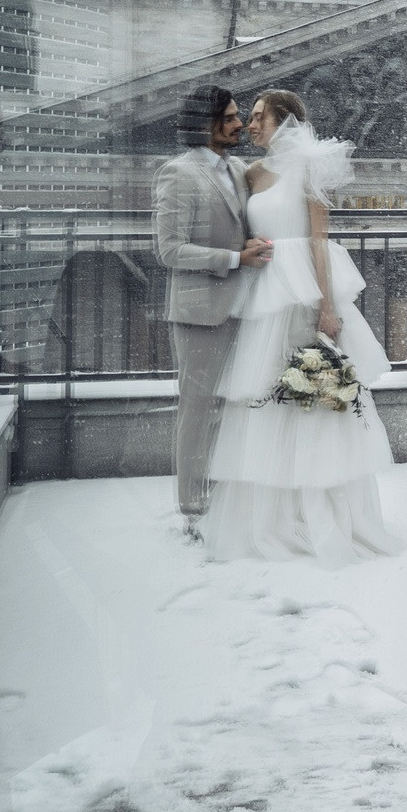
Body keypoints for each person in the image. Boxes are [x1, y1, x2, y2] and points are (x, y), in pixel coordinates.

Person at [203, 90, 404, 564]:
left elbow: (319, 239)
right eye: (250, 118)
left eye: (259, 117)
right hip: (265, 295)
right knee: (267, 400)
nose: (250, 125)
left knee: (313, 398)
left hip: (304, 292)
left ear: (285, 121)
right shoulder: (251, 173)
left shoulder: (311, 167)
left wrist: (327, 307)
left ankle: (319, 514)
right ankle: (272, 519)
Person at [152, 86, 270, 535]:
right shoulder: (177, 173)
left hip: (245, 307)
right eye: (231, 117)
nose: (240, 124)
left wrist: (250, 245)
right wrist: (236, 258)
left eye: (240, 116)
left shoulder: (238, 169)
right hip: (200, 313)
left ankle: (225, 501)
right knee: (198, 410)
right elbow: (170, 250)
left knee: (234, 406)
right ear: (206, 123)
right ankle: (193, 511)